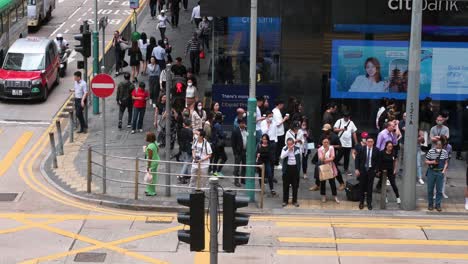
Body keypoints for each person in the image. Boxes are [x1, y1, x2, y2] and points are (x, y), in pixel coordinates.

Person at [355, 137, 380, 210]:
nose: (369, 143)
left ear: (373, 142)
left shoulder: (376, 150)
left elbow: (378, 161)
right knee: (362, 186)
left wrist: (376, 170)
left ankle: (369, 203)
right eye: (368, 141)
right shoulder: (361, 149)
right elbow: (357, 159)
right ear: (366, 142)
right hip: (362, 170)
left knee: (370, 187)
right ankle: (361, 202)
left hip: (371, 170)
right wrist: (356, 169)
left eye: (371, 141)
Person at [319, 124, 345, 190]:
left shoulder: (335, 137)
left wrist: (331, 146)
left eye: (326, 130)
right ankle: (317, 184)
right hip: (323, 155)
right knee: (320, 169)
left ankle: (342, 183)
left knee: (335, 169)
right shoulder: (323, 135)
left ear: (329, 130)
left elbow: (339, 146)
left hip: (332, 155)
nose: (325, 131)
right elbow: (319, 144)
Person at [425, 140, 449, 212]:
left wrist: (444, 171)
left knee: (439, 190)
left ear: (442, 146)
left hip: (440, 172)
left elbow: (446, 163)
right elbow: (426, 161)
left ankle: (438, 205)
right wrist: (432, 162)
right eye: (437, 145)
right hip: (431, 172)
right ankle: (430, 204)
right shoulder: (431, 151)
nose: (438, 146)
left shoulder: (444, 152)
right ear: (435, 145)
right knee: (430, 189)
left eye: (440, 145)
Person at [280, 138, 302, 207]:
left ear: (293, 143)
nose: (289, 145)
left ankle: (294, 201)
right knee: (285, 185)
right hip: (287, 168)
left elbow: (300, 157)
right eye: (288, 144)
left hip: (295, 168)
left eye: (291, 144)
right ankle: (285, 200)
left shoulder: (297, 148)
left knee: (295, 186)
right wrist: (288, 150)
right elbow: (282, 156)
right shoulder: (284, 148)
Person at [317, 138, 339, 203]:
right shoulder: (320, 149)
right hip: (323, 167)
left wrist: (325, 160)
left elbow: (333, 157)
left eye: (327, 142)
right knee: (323, 182)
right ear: (322, 142)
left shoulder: (331, 148)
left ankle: (335, 196)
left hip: (330, 167)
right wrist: (325, 152)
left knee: (332, 182)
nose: (326, 143)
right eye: (324, 142)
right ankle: (323, 196)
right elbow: (321, 159)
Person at [273, 100, 289, 169]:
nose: (283, 106)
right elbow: (278, 123)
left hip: (280, 132)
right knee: (278, 149)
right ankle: (275, 163)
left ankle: (276, 161)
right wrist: (285, 118)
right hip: (278, 133)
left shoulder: (277, 111)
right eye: (282, 104)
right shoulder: (275, 112)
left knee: (279, 148)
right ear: (279, 104)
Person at [232, 118, 247, 187]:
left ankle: (243, 179)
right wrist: (235, 153)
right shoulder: (235, 131)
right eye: (242, 123)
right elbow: (233, 143)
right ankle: (236, 181)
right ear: (239, 124)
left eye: (244, 123)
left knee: (244, 166)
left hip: (245, 151)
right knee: (237, 167)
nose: (244, 125)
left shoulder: (246, 130)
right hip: (238, 152)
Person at [178, 119, 193, 184]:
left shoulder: (181, 130)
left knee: (185, 161)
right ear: (189, 124)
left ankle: (186, 175)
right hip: (188, 148)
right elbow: (191, 140)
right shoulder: (190, 131)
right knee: (187, 162)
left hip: (182, 147)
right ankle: (181, 176)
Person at [145, 132, 160, 196]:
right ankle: (148, 189)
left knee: (151, 177)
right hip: (156, 161)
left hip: (152, 163)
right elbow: (157, 151)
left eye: (146, 136)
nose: (145, 138)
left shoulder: (150, 146)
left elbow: (150, 158)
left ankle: (151, 192)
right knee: (151, 175)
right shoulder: (155, 143)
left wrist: (148, 166)